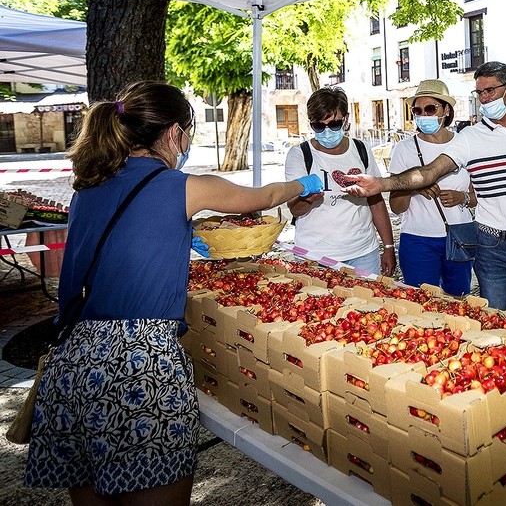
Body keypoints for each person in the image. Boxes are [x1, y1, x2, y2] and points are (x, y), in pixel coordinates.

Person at [23, 81, 323, 505]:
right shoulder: (181, 186)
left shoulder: (86, 189)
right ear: (172, 133)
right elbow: (267, 196)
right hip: (141, 365)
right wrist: (307, 183)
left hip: (74, 362)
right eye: (187, 132)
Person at [344, 61, 506, 323]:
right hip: (493, 247)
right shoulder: (469, 137)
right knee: (492, 325)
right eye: (479, 93)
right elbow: (429, 172)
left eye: (489, 91)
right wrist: (382, 183)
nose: (484, 99)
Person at [284, 87, 396, 276]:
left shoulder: (361, 149)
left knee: (367, 304)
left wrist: (388, 246)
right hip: (314, 256)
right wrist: (309, 199)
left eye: (334, 124)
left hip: (363, 252)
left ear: (346, 118)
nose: (327, 131)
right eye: (319, 126)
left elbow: (376, 201)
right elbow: (295, 209)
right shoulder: (300, 155)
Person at [388, 79, 477, 296]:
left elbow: (476, 198)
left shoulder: (465, 144)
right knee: (421, 302)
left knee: (459, 301)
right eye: (417, 110)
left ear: (446, 110)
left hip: (460, 236)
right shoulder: (404, 149)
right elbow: (396, 207)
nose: (423, 115)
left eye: (430, 108)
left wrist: (461, 198)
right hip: (418, 240)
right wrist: (413, 186)